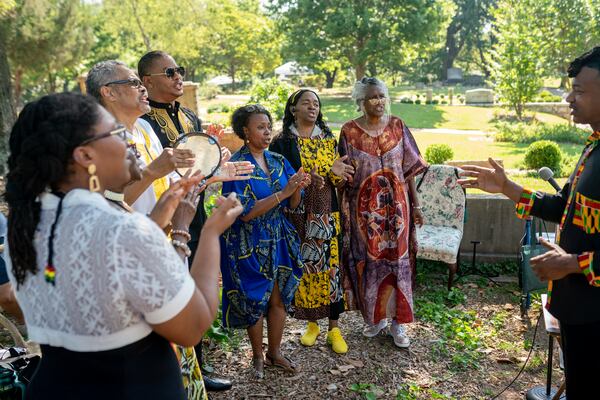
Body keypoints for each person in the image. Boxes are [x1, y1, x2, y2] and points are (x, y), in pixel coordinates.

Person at [4, 92, 243, 400]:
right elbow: (192, 327)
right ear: (85, 156)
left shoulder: (26, 225)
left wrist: (161, 218)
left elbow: (72, 286)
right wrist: (209, 233)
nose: (130, 143)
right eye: (117, 133)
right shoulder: (120, 230)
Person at [458, 47, 600, 399]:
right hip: (576, 308)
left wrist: (572, 262)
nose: (569, 98)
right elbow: (564, 207)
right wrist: (508, 188)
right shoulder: (594, 147)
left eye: (580, 91)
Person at [138, 50, 251, 391]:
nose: (178, 78)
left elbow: (200, 166)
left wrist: (217, 164)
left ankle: (197, 369)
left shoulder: (188, 116)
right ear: (148, 81)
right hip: (162, 217)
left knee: (192, 291)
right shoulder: (144, 124)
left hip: (196, 213)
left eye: (180, 71)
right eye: (170, 72)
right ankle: (169, 375)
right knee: (167, 293)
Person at [221, 104, 310, 378]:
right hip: (249, 242)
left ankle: (274, 352)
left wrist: (297, 187)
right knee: (253, 300)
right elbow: (245, 213)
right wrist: (284, 193)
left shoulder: (279, 161)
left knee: (278, 299)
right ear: (245, 131)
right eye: (260, 127)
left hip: (279, 237)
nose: (267, 131)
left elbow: (294, 205)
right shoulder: (238, 167)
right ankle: (257, 356)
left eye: (269, 126)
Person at [339, 77, 426, 348]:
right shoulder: (348, 132)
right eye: (372, 97)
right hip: (365, 215)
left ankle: (399, 325)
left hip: (398, 211)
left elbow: (410, 171)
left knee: (399, 263)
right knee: (370, 263)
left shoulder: (398, 126)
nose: (378, 101)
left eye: (381, 96)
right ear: (361, 102)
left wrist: (417, 203)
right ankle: (375, 319)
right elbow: (343, 176)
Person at [270, 89, 354, 354]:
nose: (312, 107)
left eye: (316, 104)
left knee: (331, 268)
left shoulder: (328, 139)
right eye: (306, 103)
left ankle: (334, 328)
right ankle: (312, 324)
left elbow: (339, 178)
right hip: (299, 215)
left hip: (328, 212)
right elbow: (279, 180)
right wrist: (307, 180)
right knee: (307, 268)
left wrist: (336, 175)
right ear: (293, 108)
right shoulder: (282, 142)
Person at [86, 60, 195, 213]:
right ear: (109, 92)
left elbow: (169, 180)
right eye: (134, 83)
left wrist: (208, 172)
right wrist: (150, 173)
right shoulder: (98, 141)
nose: (143, 88)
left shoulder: (144, 126)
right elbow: (106, 205)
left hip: (160, 233)